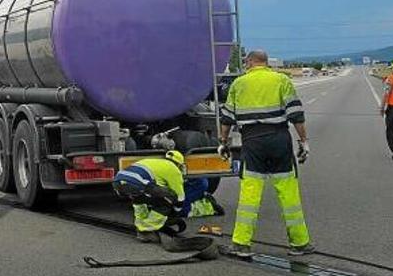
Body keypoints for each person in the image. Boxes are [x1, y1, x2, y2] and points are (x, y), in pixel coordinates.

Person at [219, 50, 314, 257]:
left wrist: (223, 142)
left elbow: (226, 118)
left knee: (250, 192)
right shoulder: (281, 80)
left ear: (251, 61)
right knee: (288, 191)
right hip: (279, 139)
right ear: (266, 62)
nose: (245, 64)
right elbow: (296, 114)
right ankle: (299, 243)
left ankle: (241, 244)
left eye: (246, 61)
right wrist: (304, 141)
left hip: (252, 141)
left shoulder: (239, 84)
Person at [112, 150, 208, 243]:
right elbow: (179, 196)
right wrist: (176, 212)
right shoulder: (173, 169)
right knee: (166, 200)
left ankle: (140, 225)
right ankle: (146, 231)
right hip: (137, 183)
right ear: (179, 164)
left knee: (140, 200)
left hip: (118, 181)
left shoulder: (154, 162)